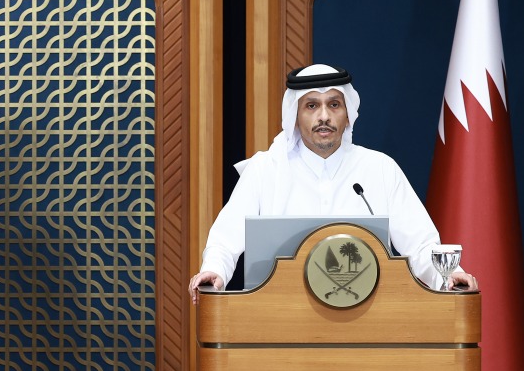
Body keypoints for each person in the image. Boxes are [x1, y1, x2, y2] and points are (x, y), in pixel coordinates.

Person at [188, 63, 477, 304]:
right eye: (311, 105)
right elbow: (224, 243)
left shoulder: (379, 169)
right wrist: (214, 271)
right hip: (280, 326)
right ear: (295, 116)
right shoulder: (266, 170)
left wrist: (448, 276)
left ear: (348, 114)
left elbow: (422, 244)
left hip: (368, 325)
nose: (323, 116)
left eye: (334, 105)